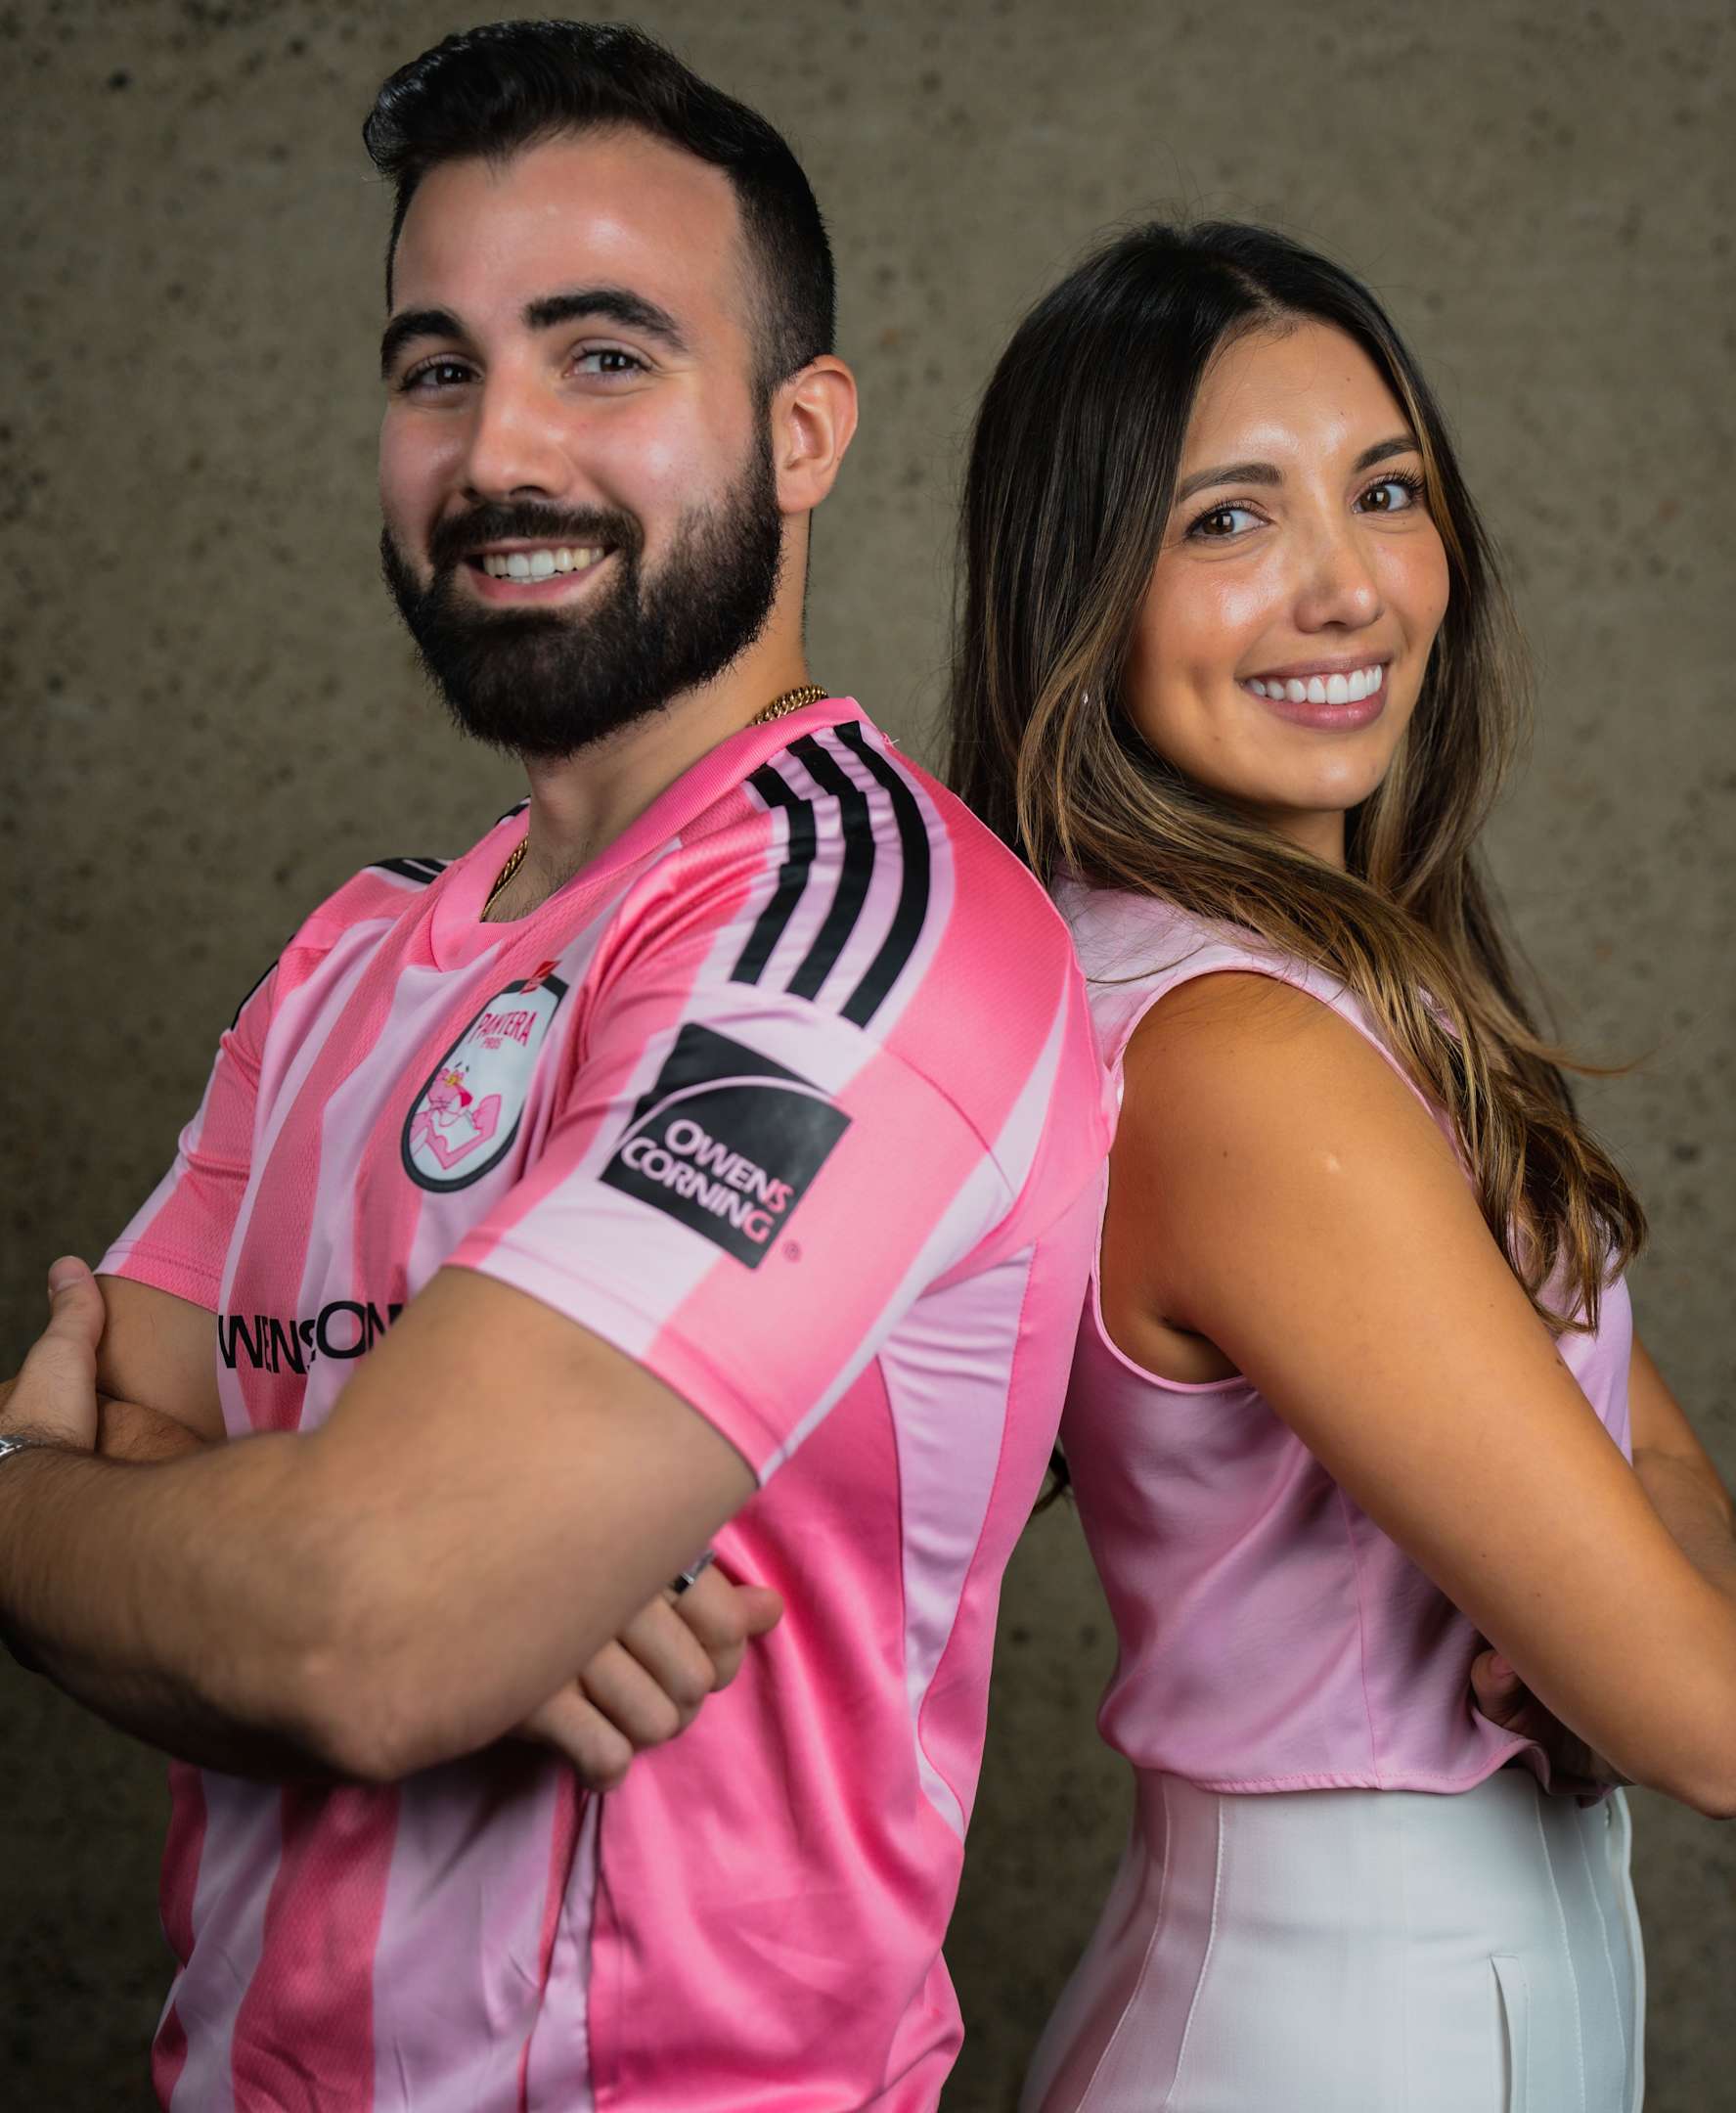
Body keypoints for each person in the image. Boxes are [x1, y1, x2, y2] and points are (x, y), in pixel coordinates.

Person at [0, 22, 1108, 2110]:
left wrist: (182, 1533)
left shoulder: (864, 929)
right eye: (438, 368)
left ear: (801, 431)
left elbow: (366, 1632)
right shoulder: (342, 957)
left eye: (605, 356)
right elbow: (344, 1594)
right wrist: (110, 1516)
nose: (501, 449)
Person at [946, 221, 1736, 2112]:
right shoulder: (1239, 1057)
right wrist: (1638, 1637)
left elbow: (1652, 1455)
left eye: (1384, 491)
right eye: (1229, 521)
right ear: (1086, 588)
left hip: (1460, 1996)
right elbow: (1705, 1718)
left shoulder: (1351, 990)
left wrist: (1618, 1612)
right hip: (1334, 2030)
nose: (1347, 588)